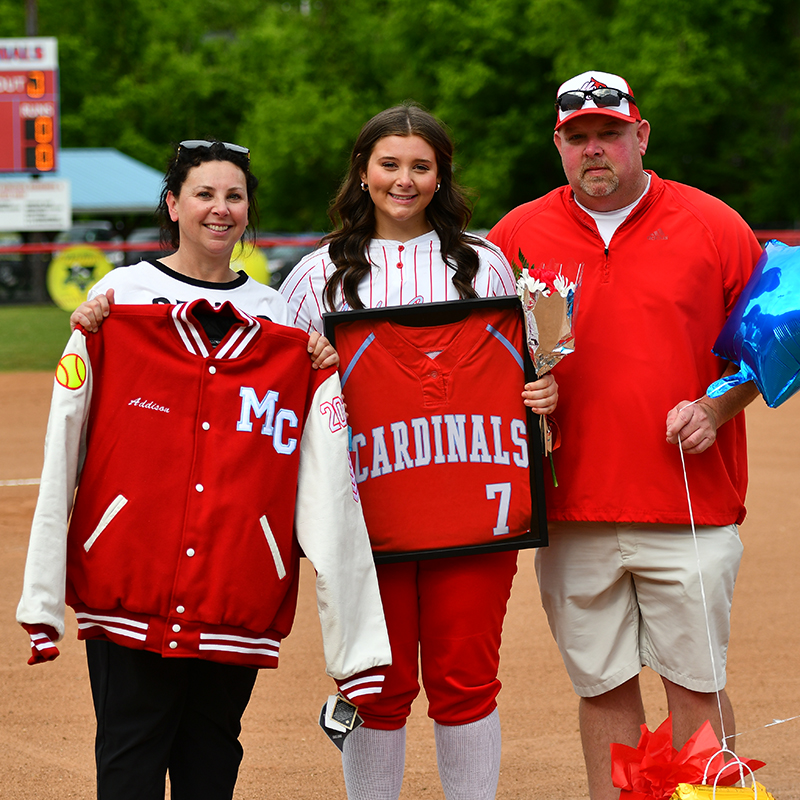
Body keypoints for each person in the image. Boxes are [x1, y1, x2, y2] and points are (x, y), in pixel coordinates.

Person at [17, 139, 391, 800]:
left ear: (248, 210)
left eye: (234, 196)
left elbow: (325, 480)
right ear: (173, 204)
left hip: (233, 586)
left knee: (211, 757)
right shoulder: (118, 297)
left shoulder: (278, 318)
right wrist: (43, 599)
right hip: (129, 577)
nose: (220, 209)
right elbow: (63, 448)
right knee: (130, 754)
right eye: (204, 194)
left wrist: (318, 366)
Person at [488, 71, 762, 799]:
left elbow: (769, 350)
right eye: (578, 138)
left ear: (641, 135)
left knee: (694, 688)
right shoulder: (516, 234)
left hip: (688, 505)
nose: (594, 149)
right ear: (558, 145)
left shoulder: (715, 224)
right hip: (571, 508)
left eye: (609, 133)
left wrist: (717, 407)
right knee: (604, 688)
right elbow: (479, 359)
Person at [279, 103, 558, 800]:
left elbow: (523, 369)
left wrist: (542, 392)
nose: (404, 180)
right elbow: (278, 390)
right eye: (390, 164)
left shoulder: (485, 263)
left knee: (466, 679)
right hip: (366, 511)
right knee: (377, 678)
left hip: (473, 509)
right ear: (363, 172)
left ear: (441, 177)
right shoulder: (317, 275)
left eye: (420, 166)